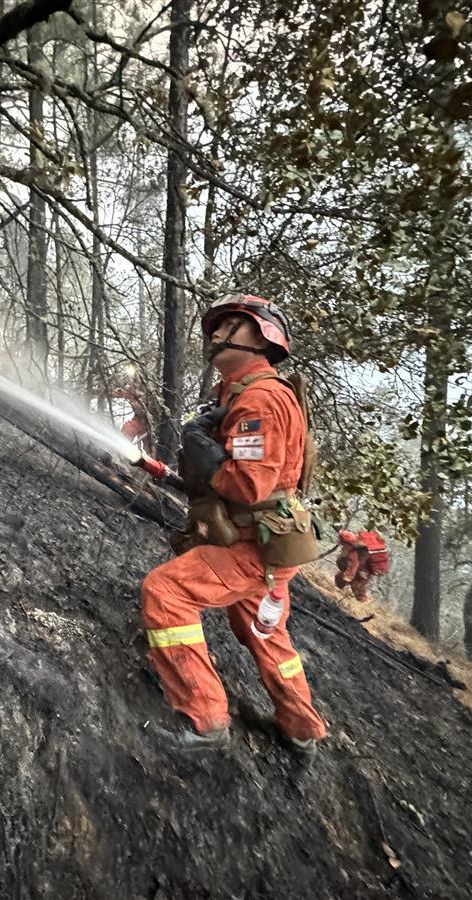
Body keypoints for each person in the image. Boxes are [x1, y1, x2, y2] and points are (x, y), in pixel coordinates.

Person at [140, 294, 328, 754]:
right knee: (264, 633)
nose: (217, 334)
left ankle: (205, 720)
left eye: (231, 325)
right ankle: (302, 729)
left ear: (262, 338)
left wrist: (205, 452)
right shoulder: (241, 393)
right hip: (267, 544)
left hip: (250, 547)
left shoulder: (261, 399)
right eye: (216, 326)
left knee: (166, 592)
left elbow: (249, 485)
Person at [335, 529, 390, 602]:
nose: (341, 544)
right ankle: (337, 592)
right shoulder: (357, 545)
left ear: (347, 543)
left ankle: (363, 605)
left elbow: (352, 570)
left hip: (361, 573)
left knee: (358, 590)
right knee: (339, 579)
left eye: (342, 543)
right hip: (362, 571)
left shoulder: (354, 554)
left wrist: (347, 578)